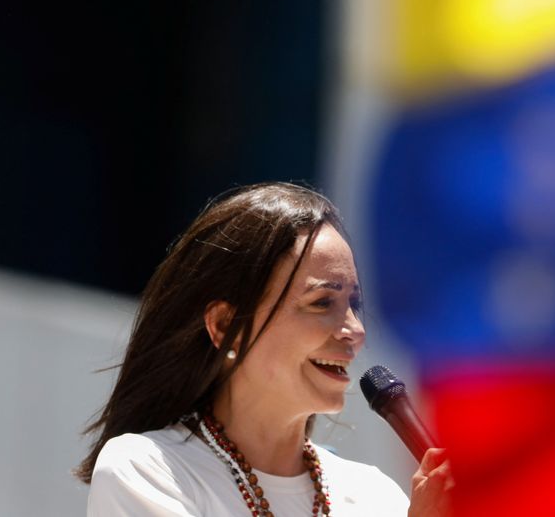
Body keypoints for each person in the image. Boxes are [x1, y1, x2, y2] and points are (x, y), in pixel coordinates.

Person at [76, 182, 452, 516]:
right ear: (225, 326)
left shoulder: (377, 497)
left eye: (354, 304)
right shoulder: (146, 469)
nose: (355, 330)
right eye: (322, 302)